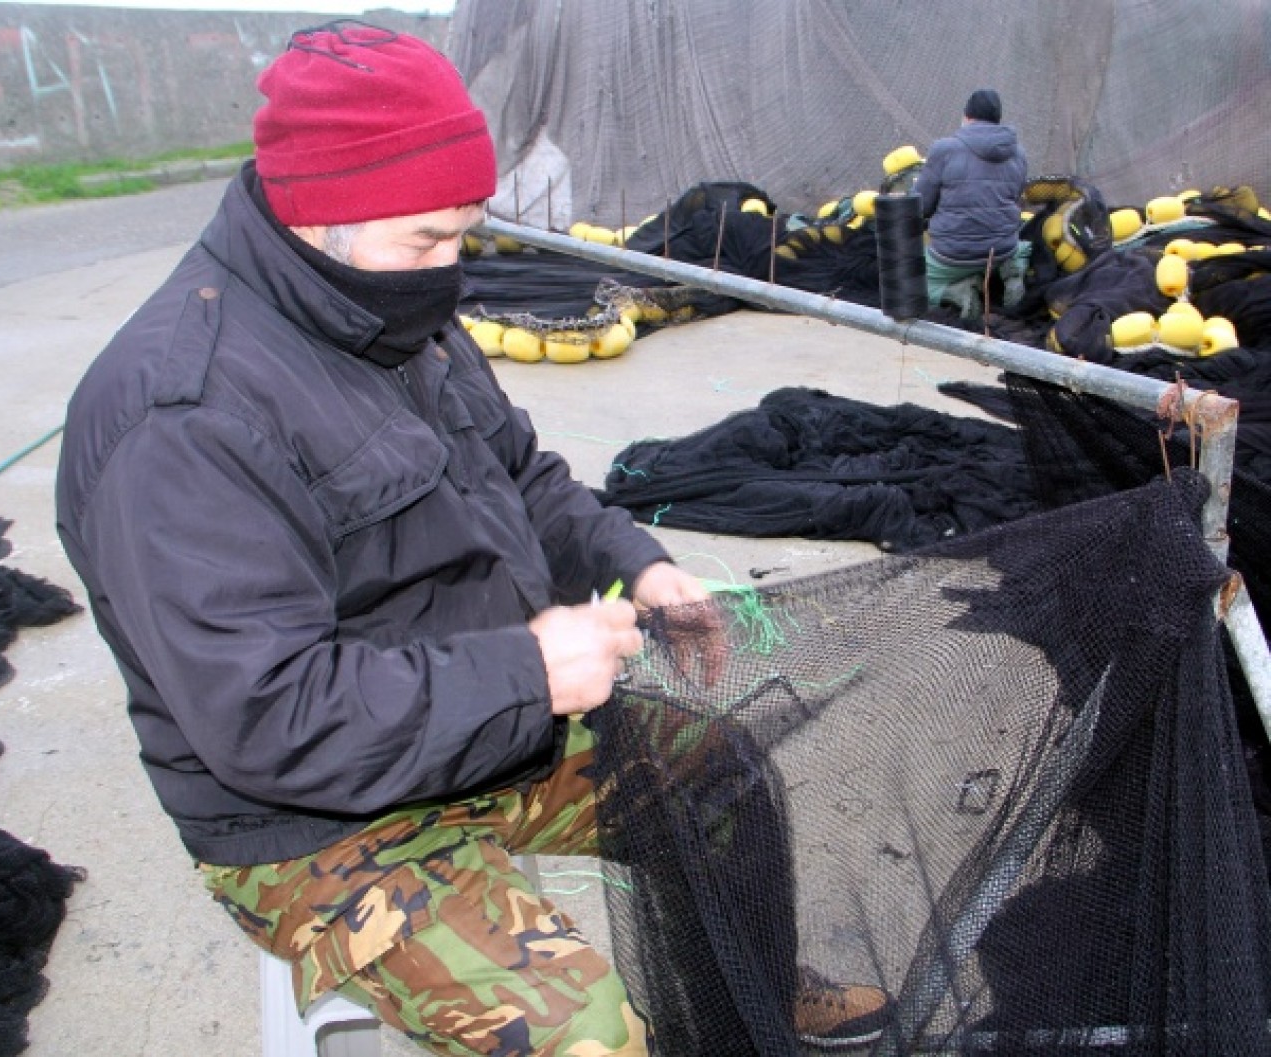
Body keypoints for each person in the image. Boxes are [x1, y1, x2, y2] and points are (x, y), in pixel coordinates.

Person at [55, 21, 891, 1054]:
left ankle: (750, 995)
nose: (448, 270)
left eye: (463, 233)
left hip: (487, 729)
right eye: (424, 241)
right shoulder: (181, 415)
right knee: (585, 1034)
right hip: (313, 823)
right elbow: (266, 718)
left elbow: (523, 475)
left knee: (723, 778)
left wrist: (637, 565)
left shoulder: (395, 310)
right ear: (314, 215)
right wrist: (526, 671)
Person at [917, 88, 1029, 319]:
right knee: (1023, 246)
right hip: (1001, 251)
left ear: (967, 116)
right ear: (997, 119)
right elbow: (1015, 196)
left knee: (912, 281)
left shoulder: (944, 149)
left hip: (952, 256)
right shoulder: (1018, 154)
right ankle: (1012, 271)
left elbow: (920, 206)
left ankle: (956, 293)